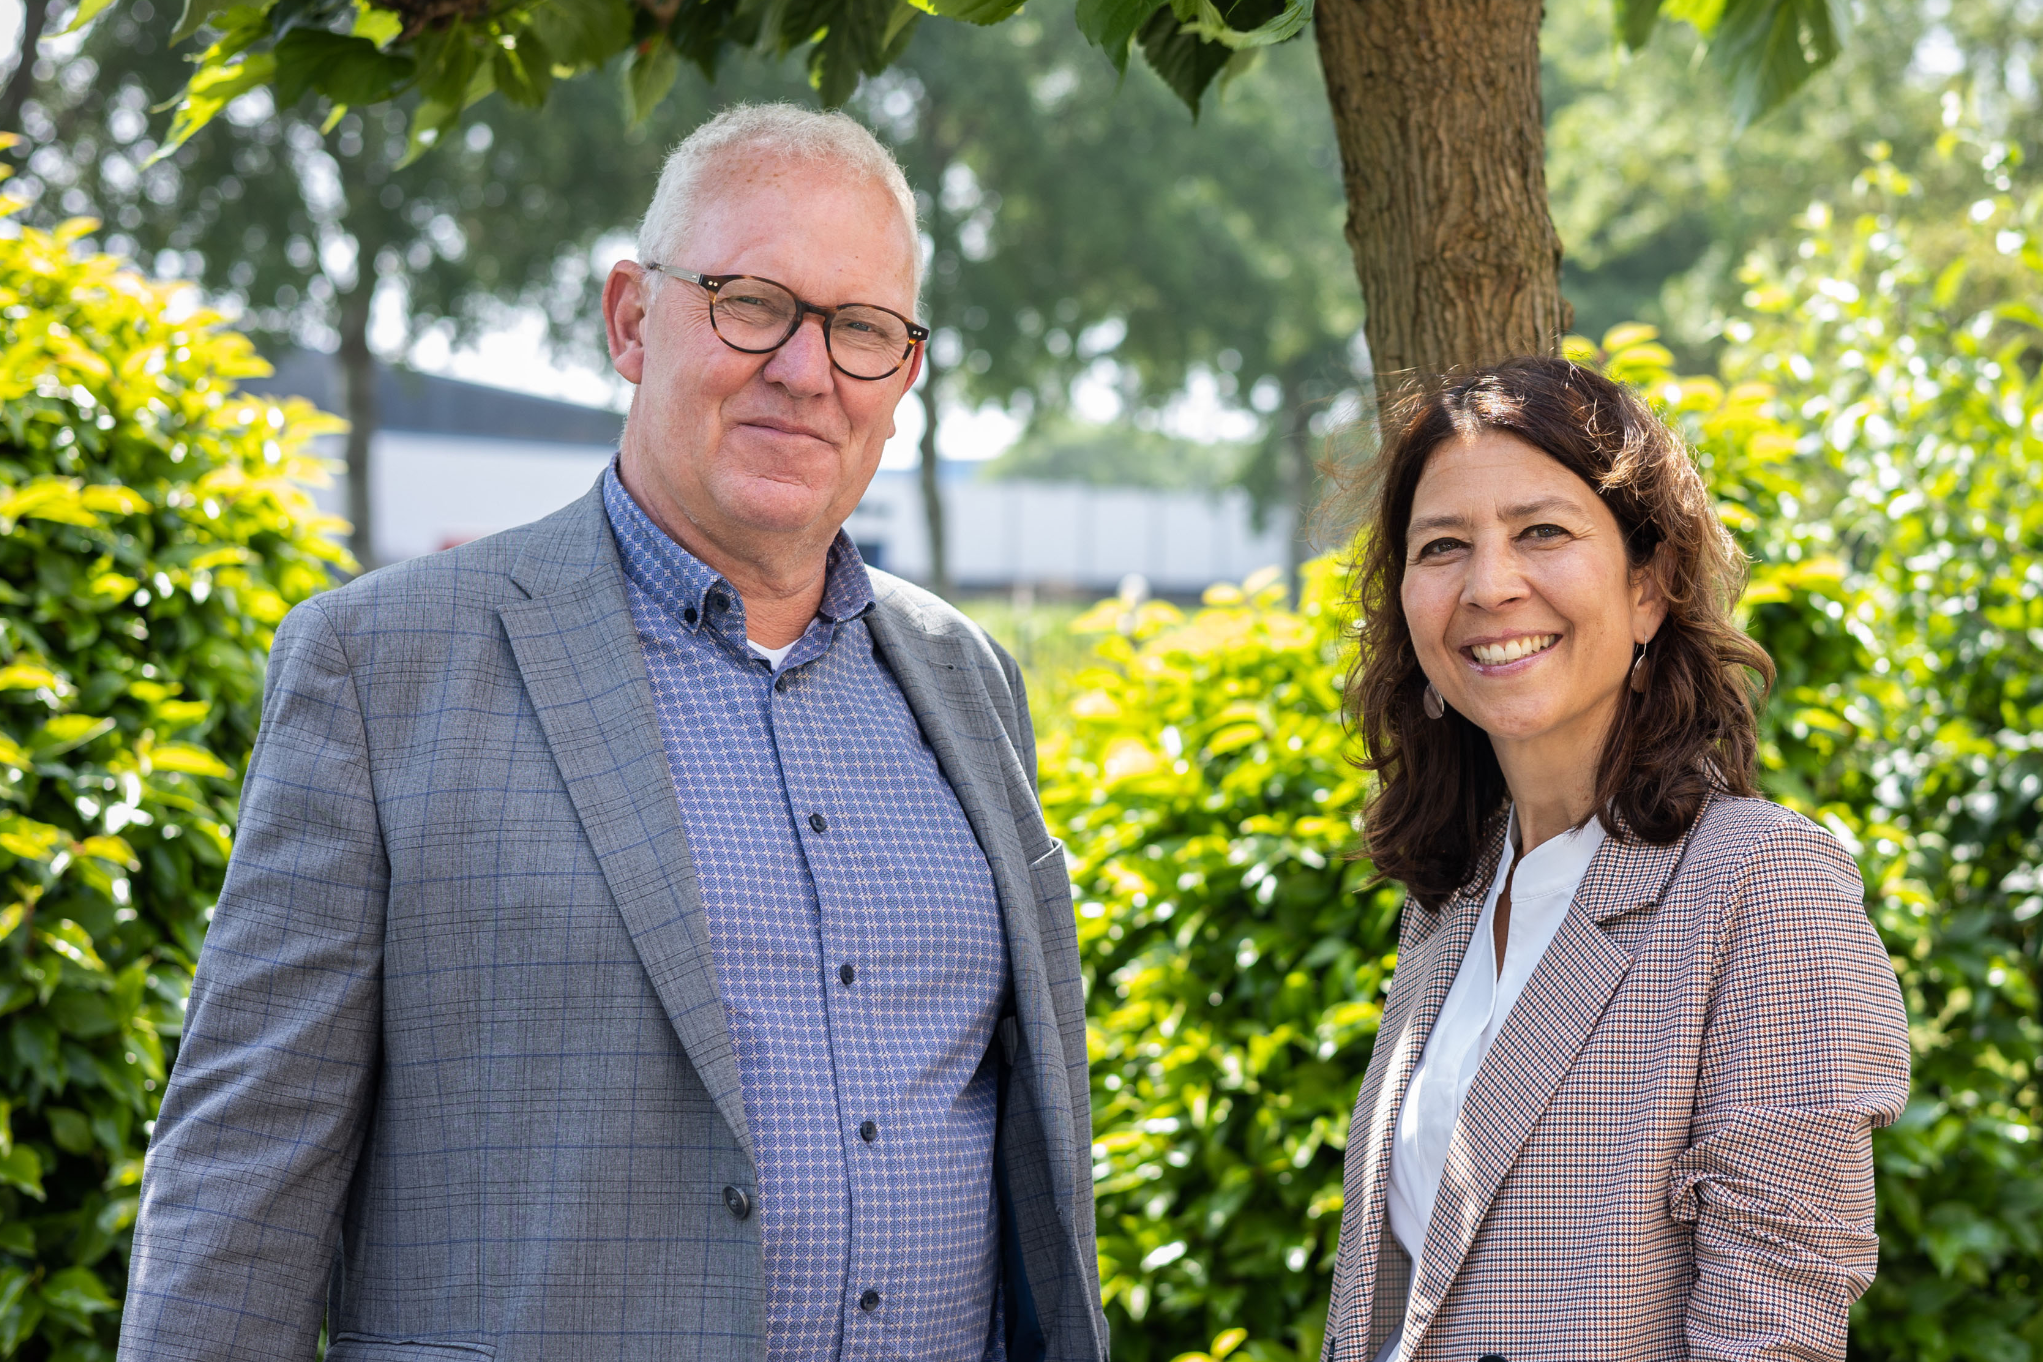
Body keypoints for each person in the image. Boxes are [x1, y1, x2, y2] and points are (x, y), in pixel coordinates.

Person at [118, 104, 1105, 1362]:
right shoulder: (384, 667)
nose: (806, 372)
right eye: (753, 303)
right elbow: (240, 1185)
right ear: (634, 320)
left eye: (860, 329)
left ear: (903, 376)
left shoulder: (970, 683)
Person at [1321, 357, 1910, 1362]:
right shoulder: (1455, 899)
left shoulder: (1763, 888)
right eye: (1443, 546)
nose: (1490, 585)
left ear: (1650, 586)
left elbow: (1774, 1333)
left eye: (1542, 532)